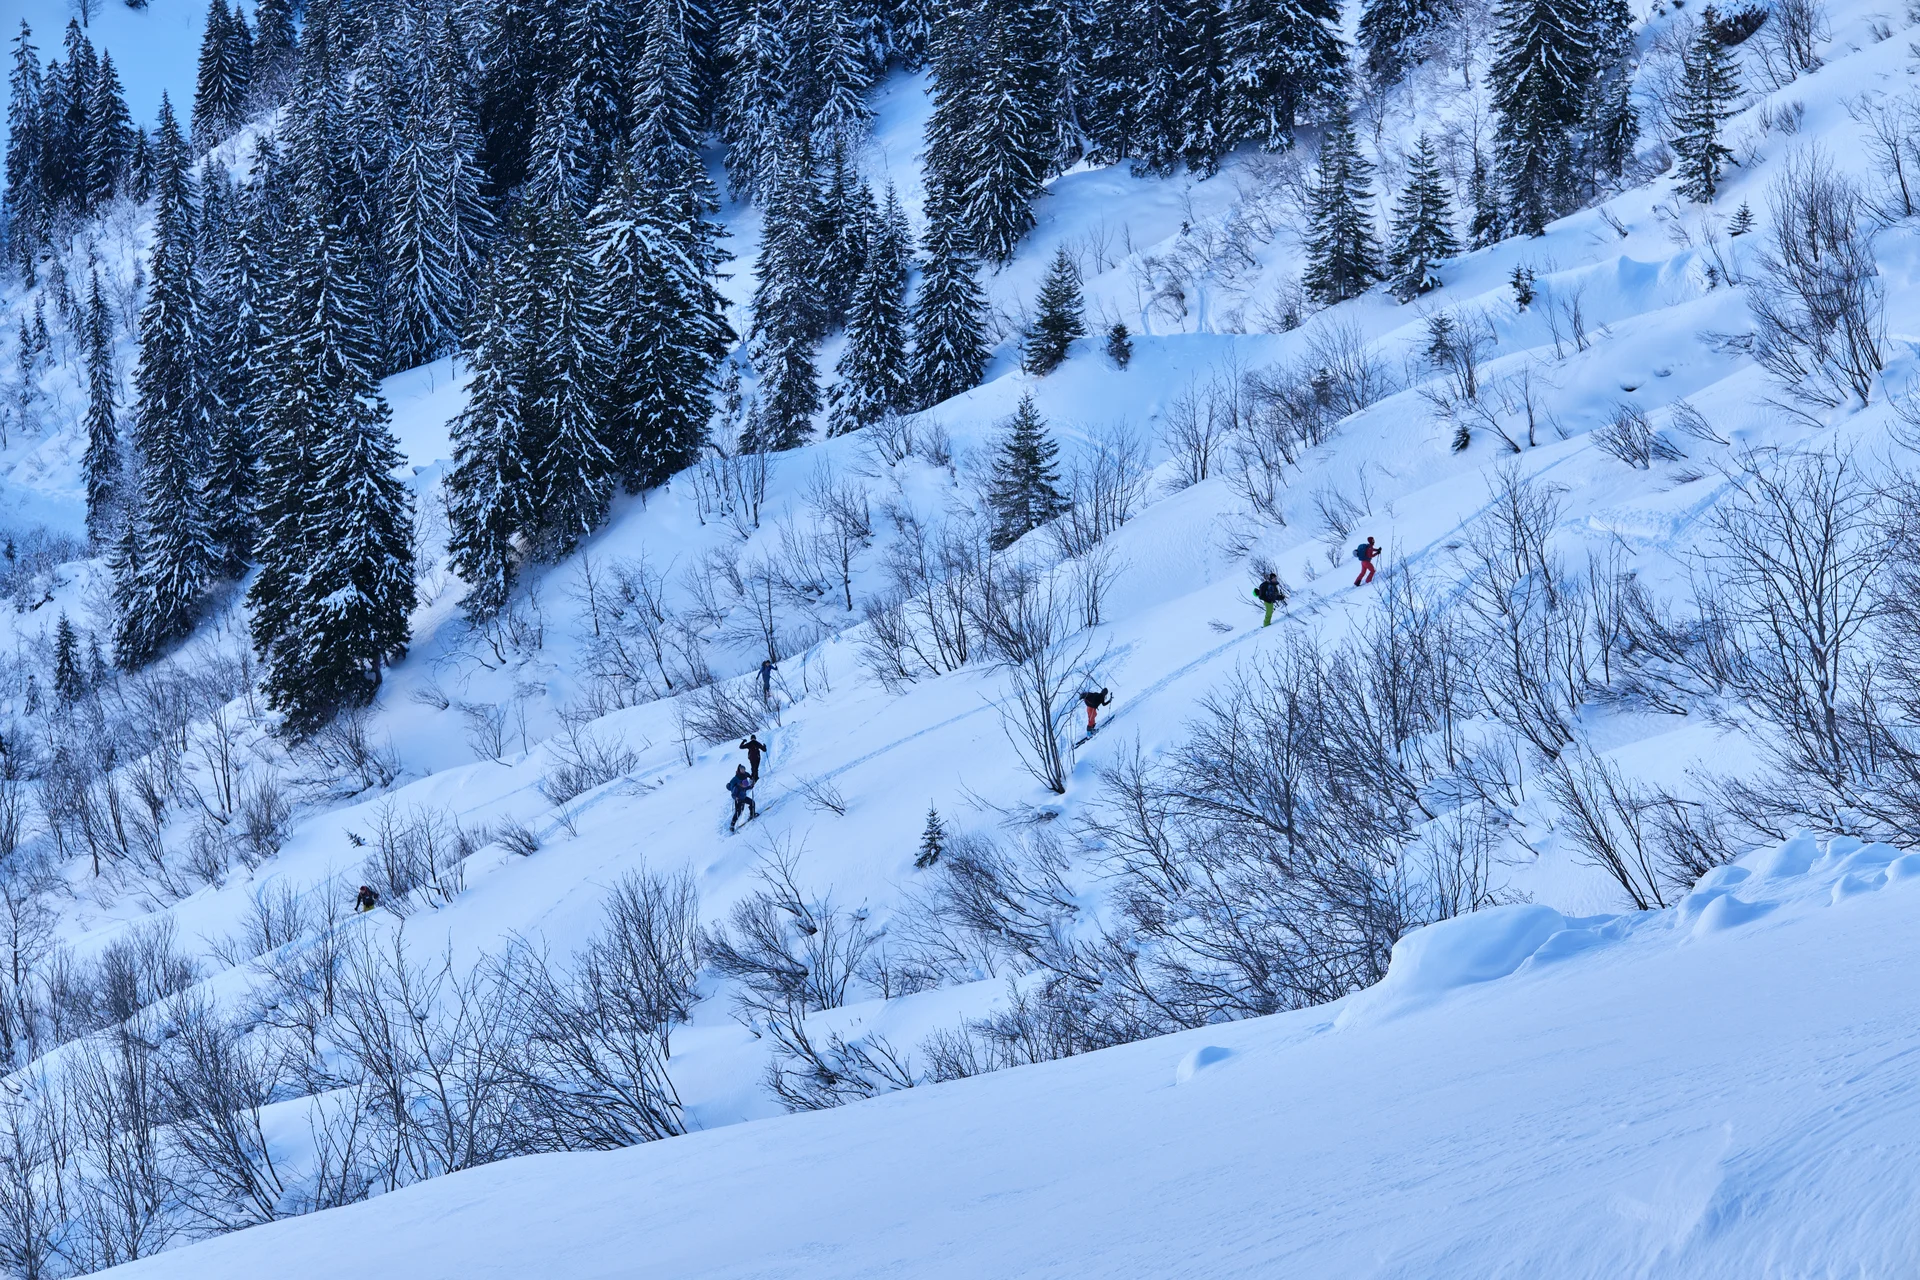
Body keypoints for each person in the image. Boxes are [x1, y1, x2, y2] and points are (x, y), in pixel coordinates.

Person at [727, 765, 758, 831]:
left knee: (752, 803)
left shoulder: (744, 785)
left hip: (743, 798)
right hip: (738, 800)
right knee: (738, 812)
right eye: (741, 769)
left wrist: (751, 786)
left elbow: (746, 787)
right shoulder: (737, 787)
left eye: (743, 769)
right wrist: (736, 798)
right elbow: (733, 795)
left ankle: (752, 814)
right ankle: (732, 825)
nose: (744, 786)